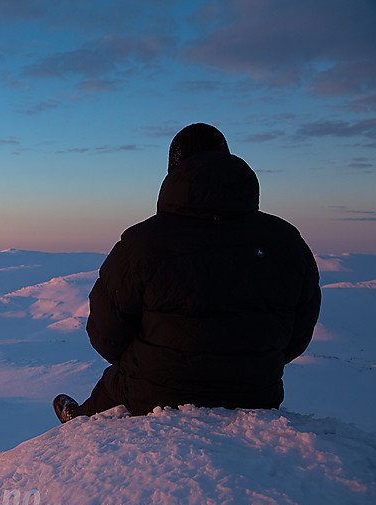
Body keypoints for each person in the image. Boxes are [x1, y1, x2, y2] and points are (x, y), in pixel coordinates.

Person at [53, 123, 321, 423]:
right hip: (256, 392)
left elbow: (106, 336)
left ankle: (78, 420)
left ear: (174, 171)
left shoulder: (141, 243)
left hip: (157, 392)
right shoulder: (285, 241)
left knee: (115, 382)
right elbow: (298, 332)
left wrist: (149, 361)